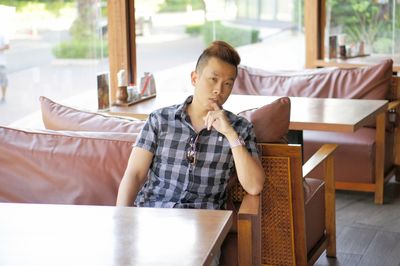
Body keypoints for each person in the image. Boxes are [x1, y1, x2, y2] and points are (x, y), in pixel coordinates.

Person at [116, 40, 265, 210]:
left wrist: (230, 135)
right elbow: (134, 174)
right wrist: (122, 219)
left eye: (227, 84)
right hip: (154, 214)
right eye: (213, 79)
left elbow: (254, 186)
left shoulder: (240, 128)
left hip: (204, 222)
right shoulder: (160, 120)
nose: (219, 90)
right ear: (195, 78)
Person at [0, 32, 9, 102]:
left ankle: (3, 97)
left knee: (3, 81)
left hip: (1, 63)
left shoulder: (2, 36)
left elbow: (7, 46)